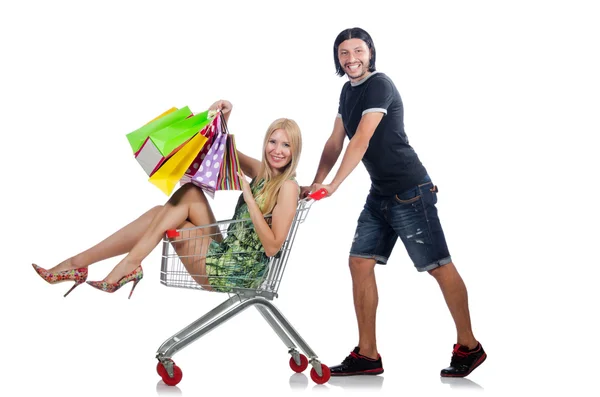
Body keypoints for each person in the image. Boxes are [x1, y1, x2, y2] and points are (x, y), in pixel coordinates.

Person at [301, 27, 486, 378]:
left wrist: (335, 185)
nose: (351, 58)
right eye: (344, 53)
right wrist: (317, 180)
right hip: (381, 194)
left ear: (370, 52)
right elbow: (335, 140)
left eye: (358, 51)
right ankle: (368, 354)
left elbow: (362, 140)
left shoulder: (380, 85)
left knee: (438, 266)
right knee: (359, 263)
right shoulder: (346, 92)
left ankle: (469, 346)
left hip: (411, 190)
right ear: (337, 58)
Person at [32, 99, 302, 297]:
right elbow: (225, 152)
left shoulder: (287, 187)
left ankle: (112, 264)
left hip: (235, 272)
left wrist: (249, 197)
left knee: (165, 214)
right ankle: (85, 263)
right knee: (169, 206)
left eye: (286, 145)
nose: (277, 150)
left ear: (294, 151)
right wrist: (223, 119)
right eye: (273, 142)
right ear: (265, 142)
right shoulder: (262, 172)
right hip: (229, 252)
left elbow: (272, 247)